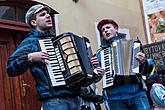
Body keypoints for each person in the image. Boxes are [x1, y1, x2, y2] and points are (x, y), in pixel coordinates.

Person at [6, 4, 82, 110]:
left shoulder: (58, 41)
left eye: (48, 14)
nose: (48, 16)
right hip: (55, 101)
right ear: (34, 23)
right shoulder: (31, 42)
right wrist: (30, 57)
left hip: (75, 99)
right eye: (42, 15)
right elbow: (10, 68)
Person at [91, 18, 153, 110]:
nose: (105, 31)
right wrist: (95, 70)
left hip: (137, 95)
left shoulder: (133, 45)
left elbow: (146, 72)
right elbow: (96, 78)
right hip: (115, 99)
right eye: (103, 30)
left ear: (116, 29)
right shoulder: (100, 53)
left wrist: (144, 62)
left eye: (108, 27)